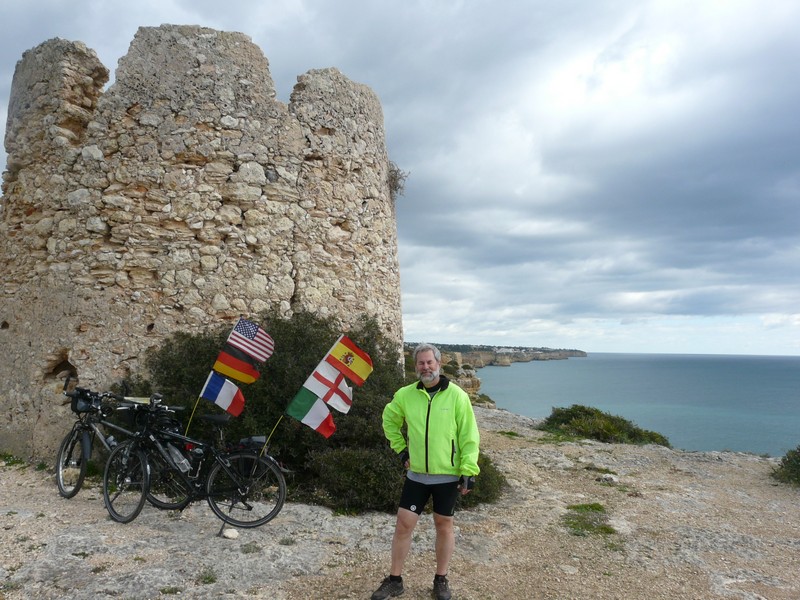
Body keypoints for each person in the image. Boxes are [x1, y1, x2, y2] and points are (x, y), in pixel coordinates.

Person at [371, 343, 481, 600]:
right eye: (420, 363)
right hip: (417, 475)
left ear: (439, 364)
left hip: (448, 475)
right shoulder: (405, 395)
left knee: (444, 525)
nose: (425, 367)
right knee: (403, 525)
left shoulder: (457, 396)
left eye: (429, 362)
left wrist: (469, 470)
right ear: (416, 366)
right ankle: (395, 580)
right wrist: (402, 451)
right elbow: (389, 420)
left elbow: (469, 435)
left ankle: (441, 579)